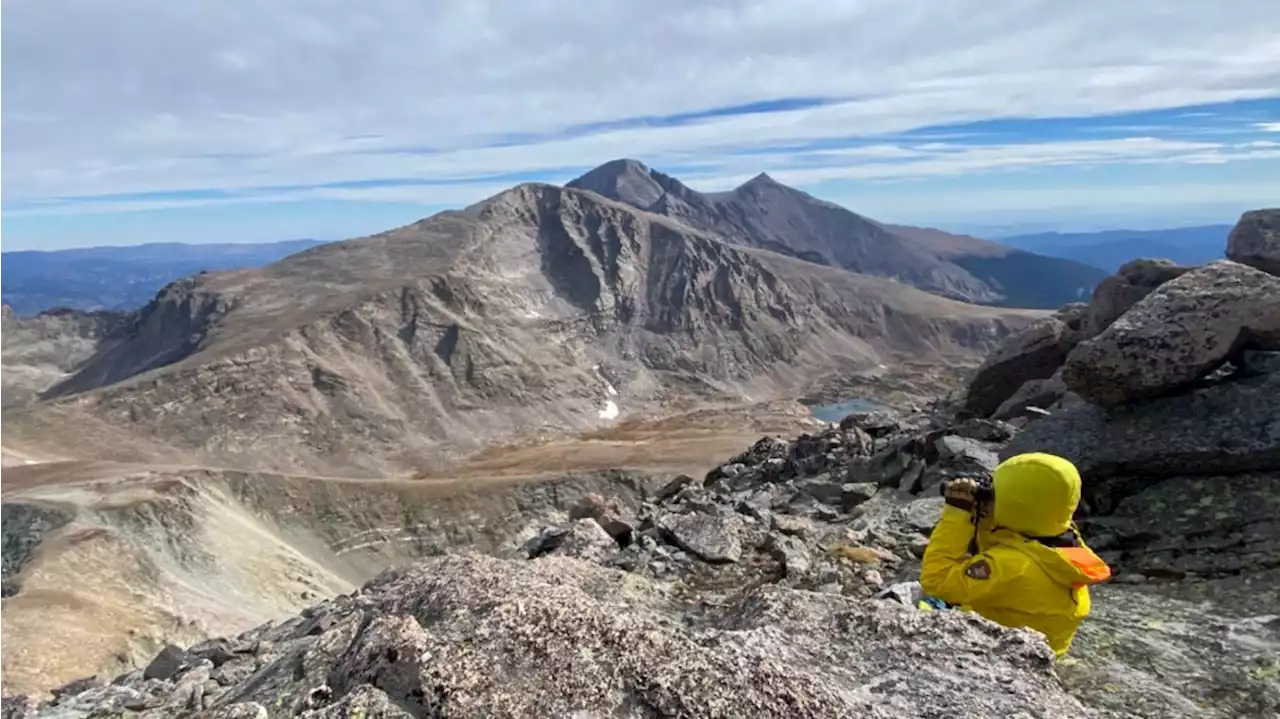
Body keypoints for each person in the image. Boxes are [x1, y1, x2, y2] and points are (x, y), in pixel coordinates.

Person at [920, 452, 1111, 656]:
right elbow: (1014, 534)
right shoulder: (1066, 538)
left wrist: (957, 513)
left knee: (916, 601)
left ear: (1016, 505)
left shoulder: (1009, 566)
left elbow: (935, 581)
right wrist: (988, 514)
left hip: (997, 655)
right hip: (1046, 651)